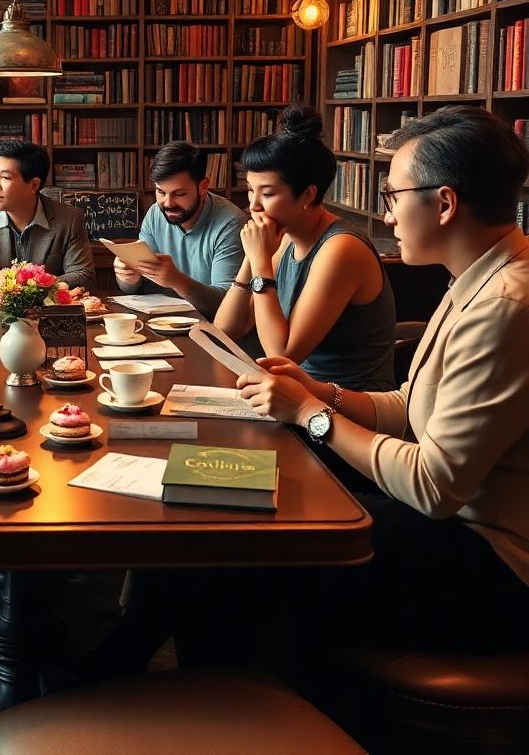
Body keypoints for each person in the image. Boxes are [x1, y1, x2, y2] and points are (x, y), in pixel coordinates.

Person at [89, 107, 529, 678]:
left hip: (485, 567)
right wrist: (319, 391)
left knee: (224, 550)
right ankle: (133, 672)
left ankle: (182, 697)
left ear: (444, 204)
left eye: (393, 195)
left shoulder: (503, 305)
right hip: (444, 527)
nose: (387, 212)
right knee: (207, 500)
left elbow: (433, 485)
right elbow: (411, 406)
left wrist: (312, 411)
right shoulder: (476, 277)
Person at [215, 105, 396, 392]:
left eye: (267, 193)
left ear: (308, 194)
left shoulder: (341, 248)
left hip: (346, 407)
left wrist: (261, 260)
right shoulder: (285, 237)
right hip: (297, 396)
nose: (253, 205)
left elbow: (283, 356)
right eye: (251, 189)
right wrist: (252, 258)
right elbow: (226, 330)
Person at [113, 141, 246, 320]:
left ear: (203, 187)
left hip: (217, 333)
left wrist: (177, 280)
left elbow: (227, 306)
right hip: (165, 324)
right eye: (160, 192)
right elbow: (143, 286)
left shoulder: (230, 224)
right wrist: (129, 279)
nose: (167, 203)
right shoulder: (155, 214)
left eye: (179, 194)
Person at [0, 141, 95, 292]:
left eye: (5, 178)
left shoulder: (69, 219)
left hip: (46, 313)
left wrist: (33, 287)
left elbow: (84, 276)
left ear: (33, 185)